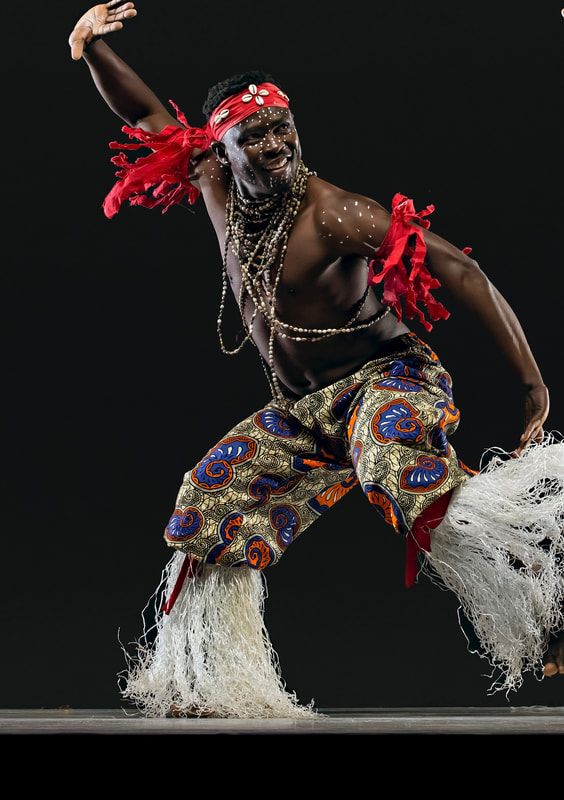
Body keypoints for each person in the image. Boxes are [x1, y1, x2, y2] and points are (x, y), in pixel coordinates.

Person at [69, 2, 564, 718]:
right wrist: (88, 48)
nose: (276, 145)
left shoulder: (333, 213)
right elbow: (145, 115)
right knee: (208, 501)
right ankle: (211, 680)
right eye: (255, 134)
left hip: (386, 380)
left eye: (283, 128)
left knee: (394, 466)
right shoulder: (212, 183)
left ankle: (548, 595)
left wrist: (531, 383)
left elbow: (461, 271)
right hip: (302, 412)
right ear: (221, 147)